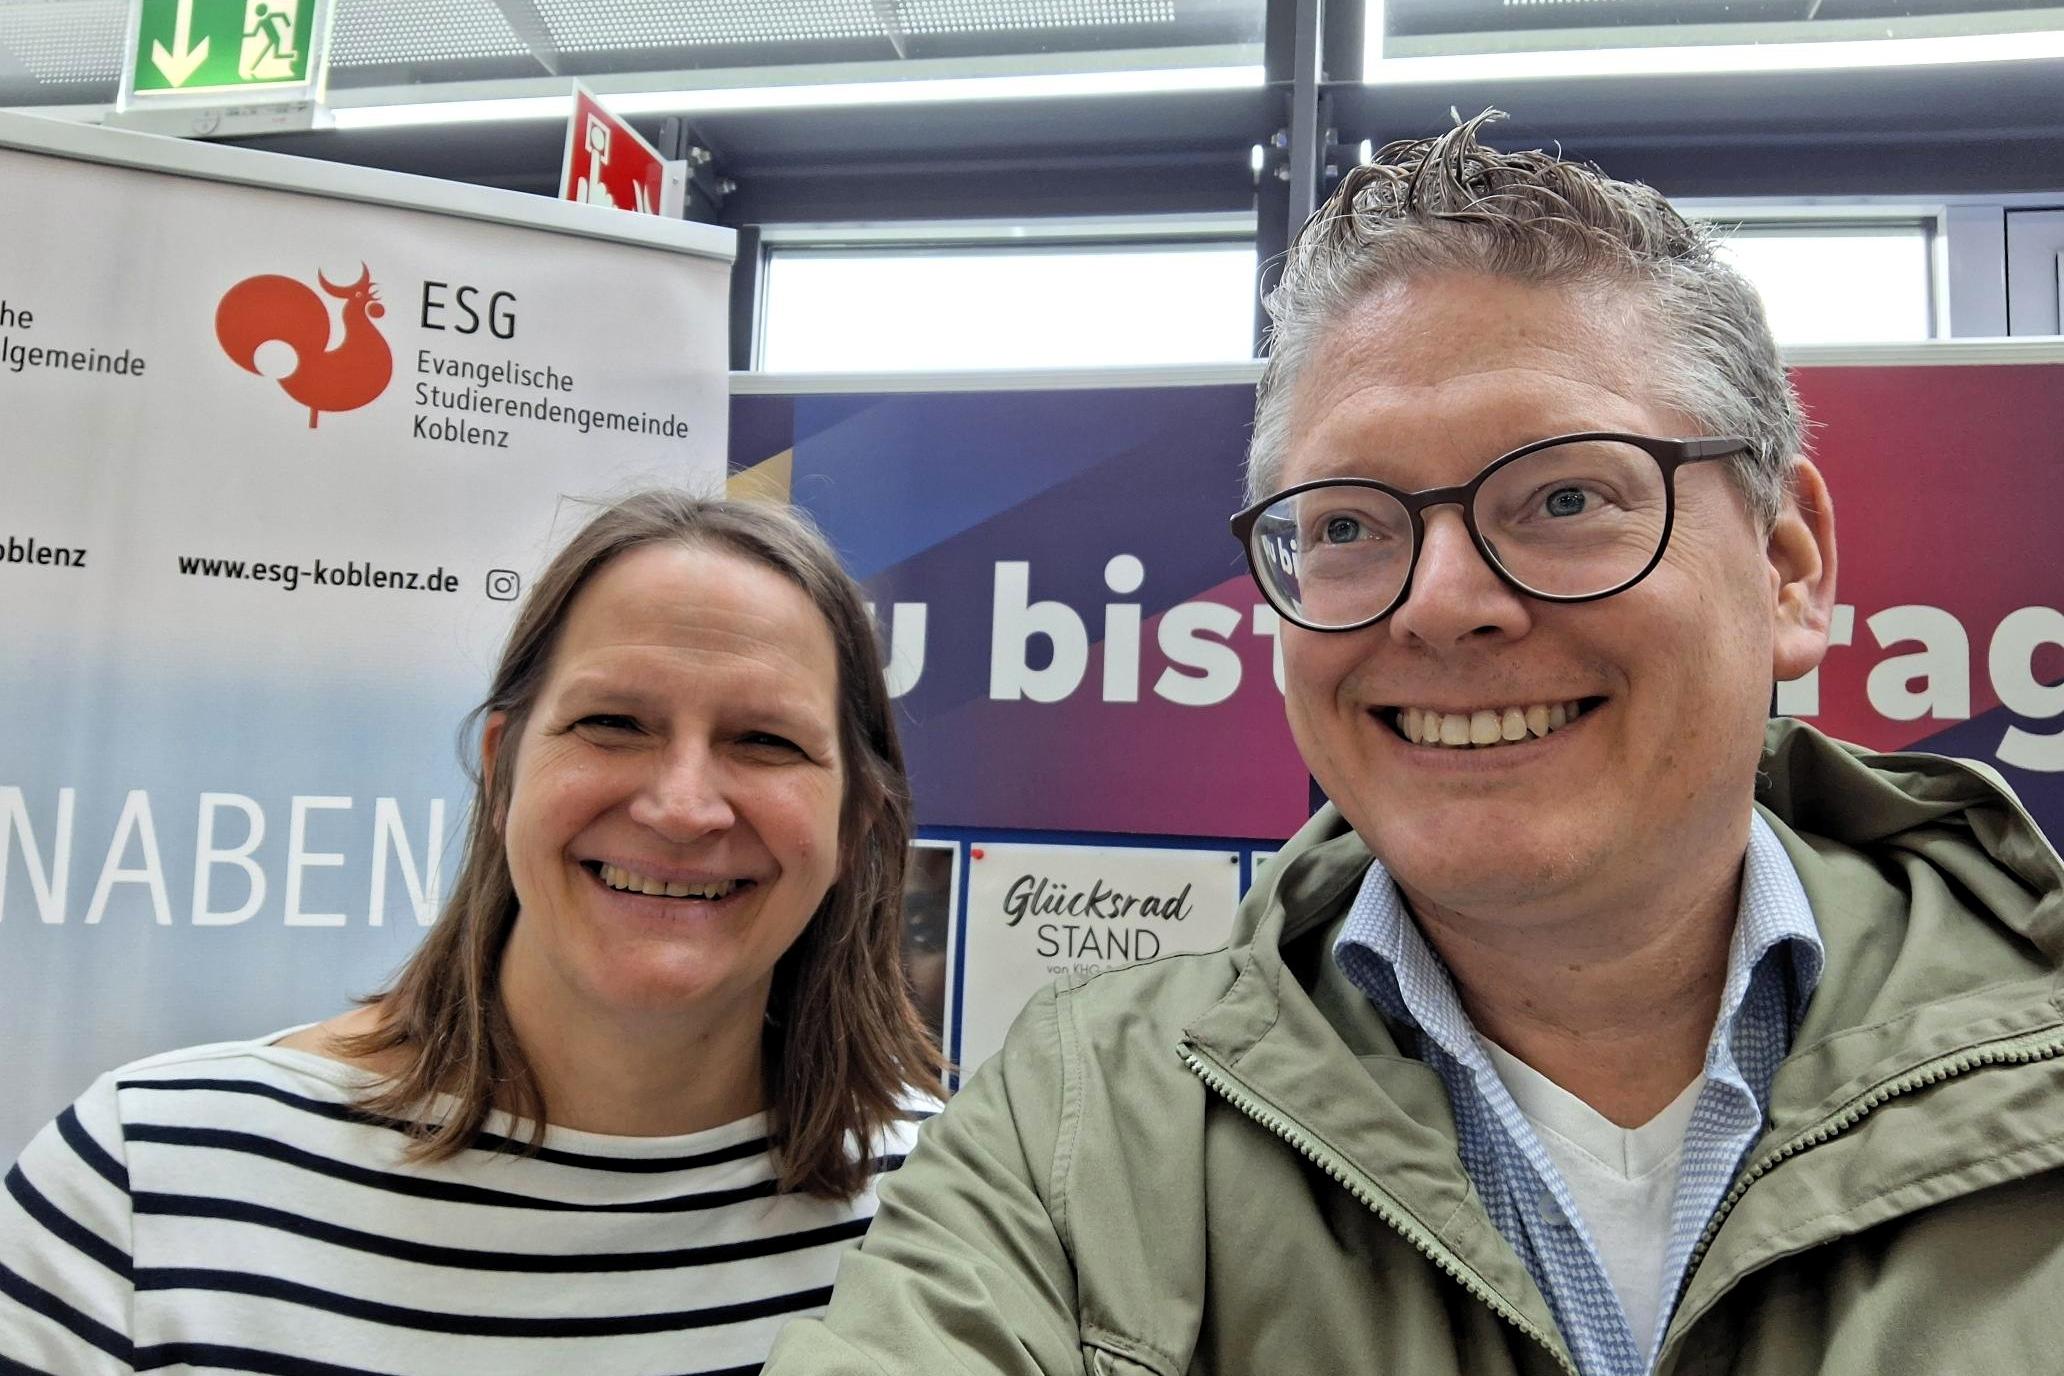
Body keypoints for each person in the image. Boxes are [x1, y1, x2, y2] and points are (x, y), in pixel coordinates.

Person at [766, 114, 2064, 1376]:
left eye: (1566, 495)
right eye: (1346, 525)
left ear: (1787, 568)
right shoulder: (1076, 1123)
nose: (1439, 601)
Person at [1, 493, 943, 1374]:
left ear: (857, 815)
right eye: (613, 722)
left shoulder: (953, 1216)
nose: (683, 806)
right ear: (502, 771)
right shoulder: (145, 1180)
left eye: (766, 742)